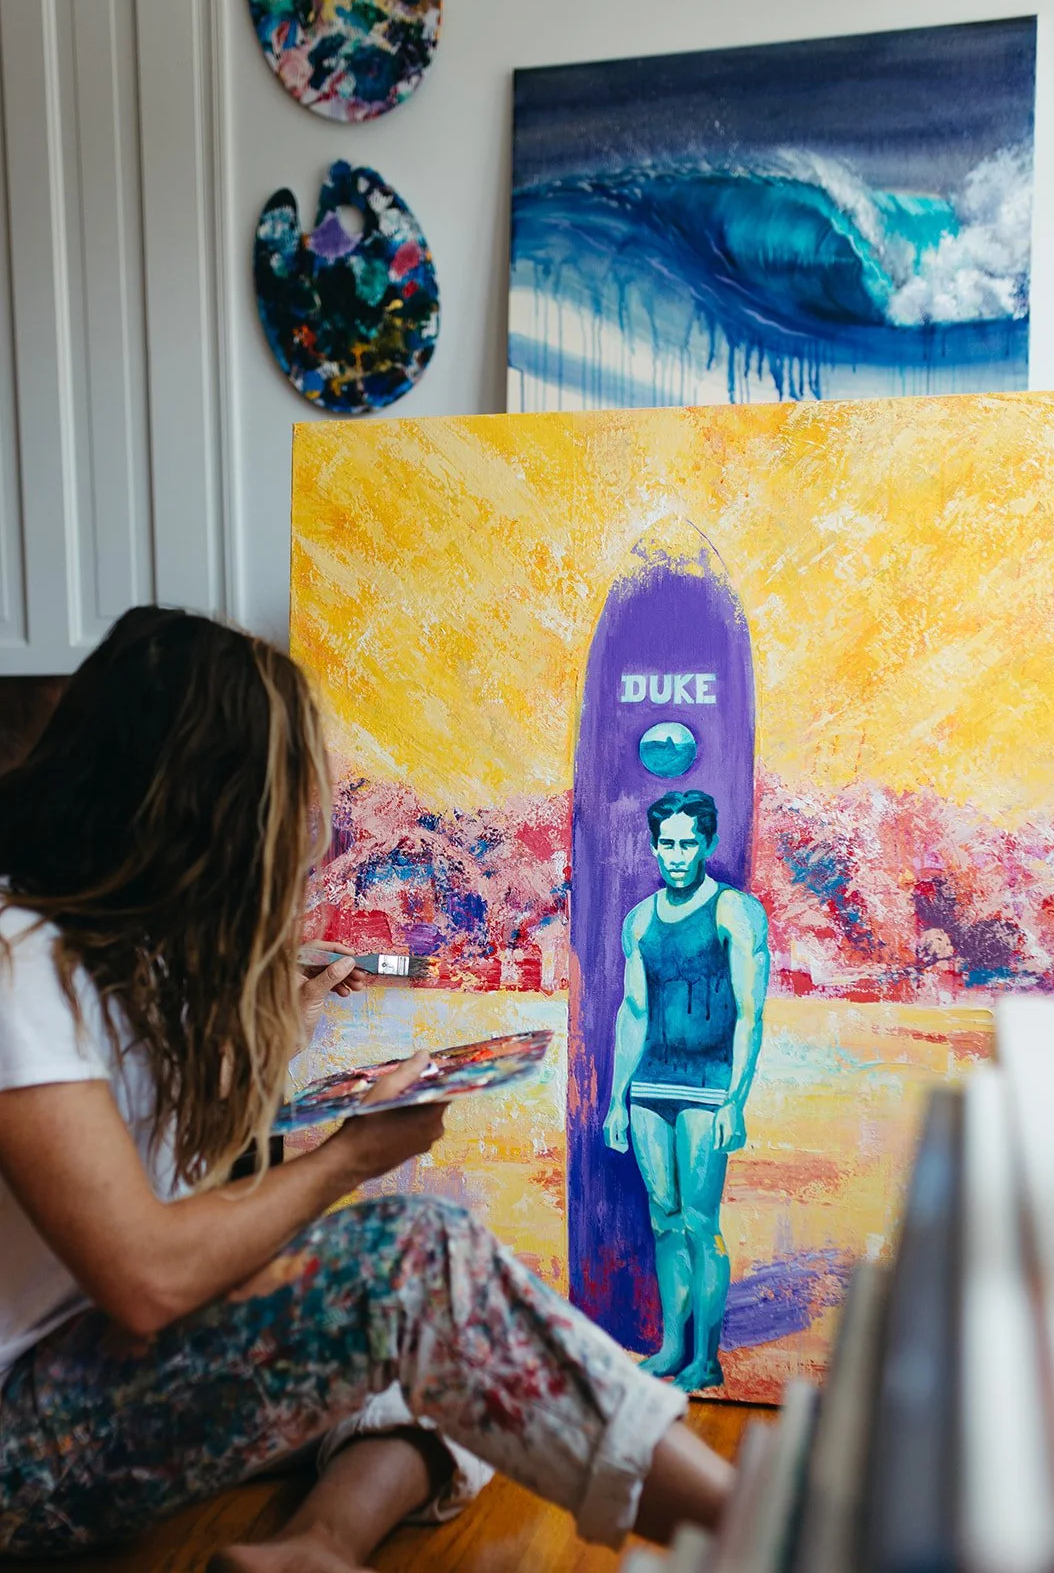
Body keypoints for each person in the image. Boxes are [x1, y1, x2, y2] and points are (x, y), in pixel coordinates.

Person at [0, 607, 733, 1572]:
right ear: (202, 805)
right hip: (24, 1439)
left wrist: (284, 1026)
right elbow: (149, 1277)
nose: (313, 828)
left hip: (92, 1376)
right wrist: (349, 1157)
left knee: (470, 1358)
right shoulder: (18, 962)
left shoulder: (128, 967)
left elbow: (169, 1178)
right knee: (426, 1271)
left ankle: (315, 1546)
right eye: (289, 792)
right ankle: (755, 1523)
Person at [603, 790, 769, 1393]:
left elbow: (750, 1014)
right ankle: (673, 1346)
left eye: (687, 844)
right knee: (664, 1221)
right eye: (666, 844)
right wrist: (617, 1100)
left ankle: (706, 1357)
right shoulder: (640, 921)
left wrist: (735, 1101)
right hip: (650, 1085)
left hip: (706, 1087)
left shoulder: (734, 912)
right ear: (653, 847)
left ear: (707, 845)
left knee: (701, 1223)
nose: (676, 855)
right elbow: (634, 1012)